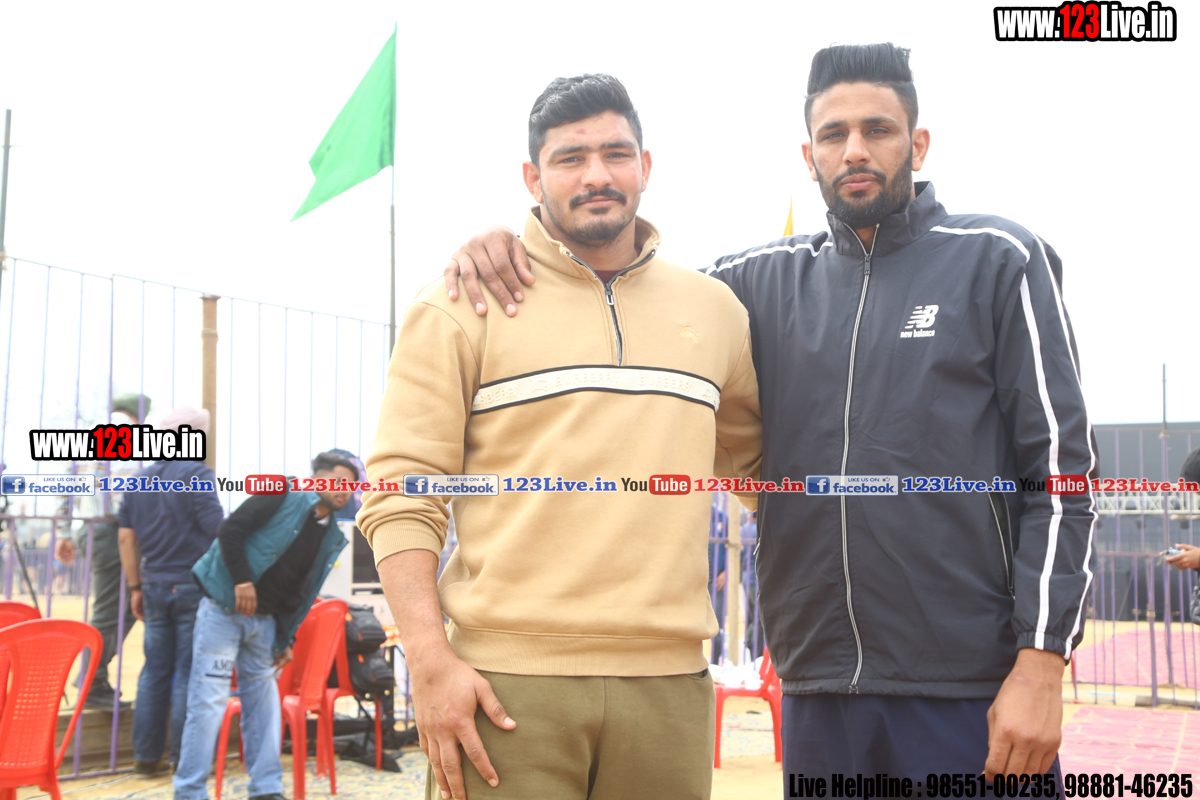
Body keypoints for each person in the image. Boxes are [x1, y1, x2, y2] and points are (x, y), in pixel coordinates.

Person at [442, 43, 1098, 780]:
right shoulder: (752, 283)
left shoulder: (999, 259)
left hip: (972, 686)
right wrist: (515, 243)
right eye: (833, 134)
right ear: (809, 156)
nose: (855, 150)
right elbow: (622, 287)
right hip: (817, 687)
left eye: (878, 130)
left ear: (917, 145)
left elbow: (1064, 479)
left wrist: (1042, 662)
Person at [357, 74, 761, 800]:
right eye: (570, 158)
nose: (596, 174)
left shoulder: (716, 312)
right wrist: (429, 662)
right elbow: (401, 495)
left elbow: (763, 474)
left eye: (616, 153)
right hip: (504, 688)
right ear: (532, 177)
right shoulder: (461, 303)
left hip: (669, 689)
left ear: (646, 166)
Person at [172, 451, 357, 800]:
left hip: (266, 626)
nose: (344, 490)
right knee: (208, 702)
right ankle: (190, 792)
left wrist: (285, 639)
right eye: (338, 481)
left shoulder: (330, 533)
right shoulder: (280, 491)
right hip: (224, 612)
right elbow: (230, 530)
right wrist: (242, 580)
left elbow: (299, 592)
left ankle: (265, 789)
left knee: (264, 706)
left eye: (351, 485)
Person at [116, 406, 224, 776]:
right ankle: (182, 758)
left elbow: (126, 539)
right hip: (192, 585)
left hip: (152, 585)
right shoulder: (197, 474)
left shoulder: (139, 479)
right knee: (187, 671)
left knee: (154, 671)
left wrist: (136, 587)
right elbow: (215, 528)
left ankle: (146, 757)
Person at [56, 391, 152, 709]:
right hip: (114, 530)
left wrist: (64, 531)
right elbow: (126, 489)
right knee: (116, 610)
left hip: (90, 528)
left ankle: (91, 675)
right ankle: (92, 680)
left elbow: (66, 483)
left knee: (121, 608)